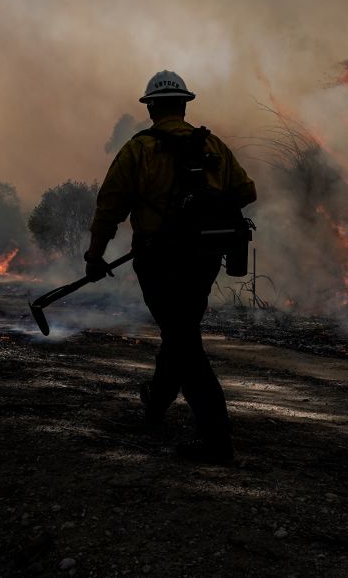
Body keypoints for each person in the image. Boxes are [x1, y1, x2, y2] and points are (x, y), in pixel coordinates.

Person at [85, 70, 257, 464]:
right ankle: (158, 401)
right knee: (181, 330)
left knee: (182, 339)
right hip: (204, 258)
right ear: (183, 105)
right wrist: (209, 207)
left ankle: (216, 438)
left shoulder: (139, 149)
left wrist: (94, 256)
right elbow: (247, 190)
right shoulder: (211, 144)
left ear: (151, 108)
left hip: (158, 258)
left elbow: (109, 208)